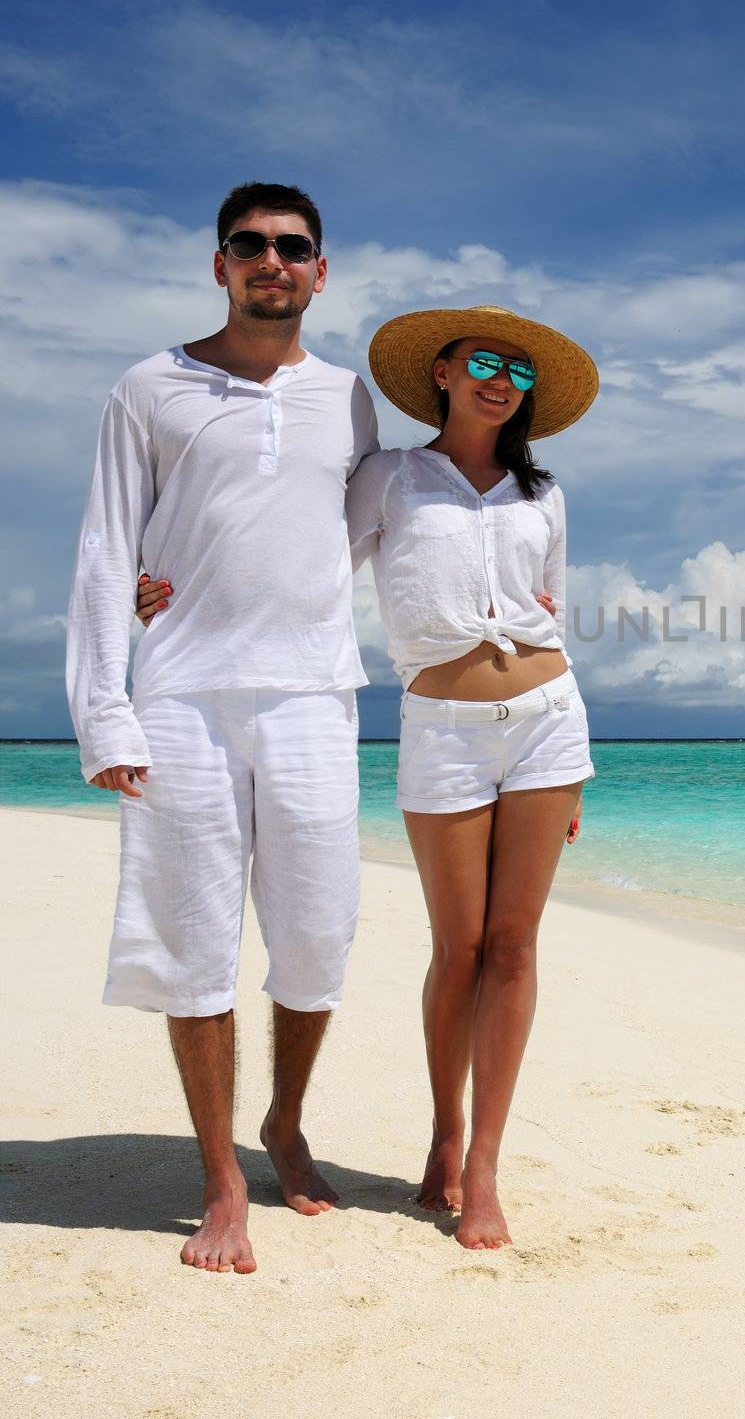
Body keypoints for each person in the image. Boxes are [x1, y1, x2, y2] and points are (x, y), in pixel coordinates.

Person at [136, 304, 600, 1251]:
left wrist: (578, 775)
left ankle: (481, 1171)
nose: (499, 380)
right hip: (444, 729)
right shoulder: (389, 476)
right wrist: (166, 582)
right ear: (440, 371)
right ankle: (443, 1130)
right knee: (459, 948)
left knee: (515, 949)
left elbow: (550, 607)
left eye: (517, 371)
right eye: (483, 362)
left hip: (552, 724)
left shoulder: (541, 493)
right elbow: (303, 560)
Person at [66, 182, 378, 1275]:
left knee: (315, 934)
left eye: (293, 247)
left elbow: (358, 536)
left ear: (320, 271)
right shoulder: (148, 386)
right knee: (193, 942)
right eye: (249, 245)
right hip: (182, 698)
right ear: (219, 264)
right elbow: (108, 550)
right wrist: (105, 706)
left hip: (312, 697)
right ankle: (221, 1181)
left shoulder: (349, 399)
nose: (271, 261)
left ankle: (284, 1122)